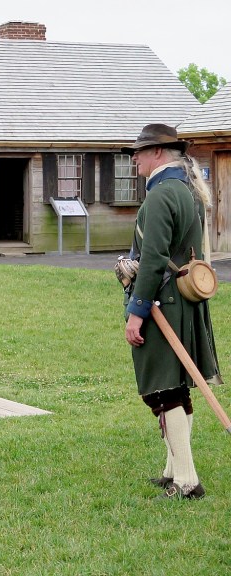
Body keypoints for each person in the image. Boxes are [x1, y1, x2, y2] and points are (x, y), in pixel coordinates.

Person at [121, 123, 222, 499]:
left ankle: (186, 480)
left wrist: (136, 310)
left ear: (159, 154)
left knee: (164, 392)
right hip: (182, 303)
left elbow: (152, 262)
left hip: (164, 303)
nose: (134, 159)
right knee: (176, 388)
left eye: (140, 152)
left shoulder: (162, 196)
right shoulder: (186, 191)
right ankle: (172, 469)